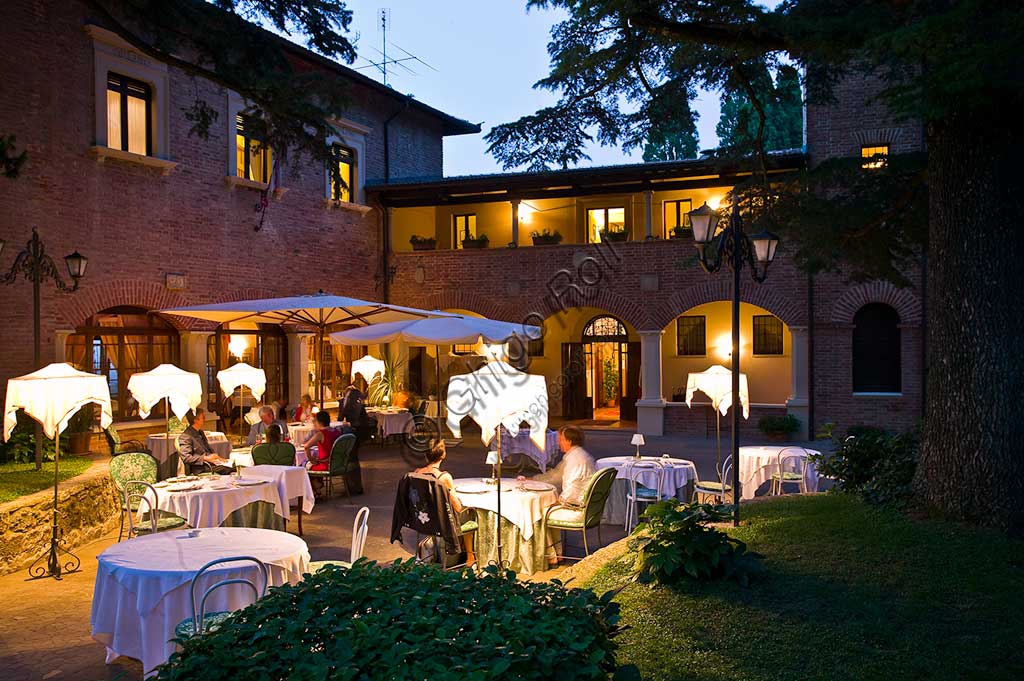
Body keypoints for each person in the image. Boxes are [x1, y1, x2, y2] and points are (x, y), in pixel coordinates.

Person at [414, 440, 475, 565]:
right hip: (442, 522)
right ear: (443, 455)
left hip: (424, 519)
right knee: (468, 514)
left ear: (426, 455)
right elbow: (457, 507)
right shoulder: (444, 477)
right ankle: (470, 555)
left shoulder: (417, 473)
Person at [521, 425, 596, 507]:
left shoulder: (575, 459)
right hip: (579, 500)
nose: (558, 443)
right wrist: (532, 479)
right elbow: (555, 475)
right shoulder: (578, 454)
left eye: (561, 440)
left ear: (569, 441)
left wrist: (559, 502)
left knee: (535, 506)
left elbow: (570, 486)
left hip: (576, 504)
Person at [177, 409, 233, 475]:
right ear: (195, 420)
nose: (205, 419)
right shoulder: (186, 436)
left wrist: (218, 458)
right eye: (203, 417)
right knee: (230, 470)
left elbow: (207, 450)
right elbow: (186, 457)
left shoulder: (200, 432)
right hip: (201, 468)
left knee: (235, 465)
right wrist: (205, 458)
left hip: (211, 464)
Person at [303, 411, 346, 495]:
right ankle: (318, 485)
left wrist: (311, 459)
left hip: (326, 465)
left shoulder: (321, 434)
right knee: (315, 464)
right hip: (338, 463)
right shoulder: (336, 431)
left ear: (319, 422)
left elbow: (306, 446)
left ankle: (317, 489)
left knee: (305, 467)